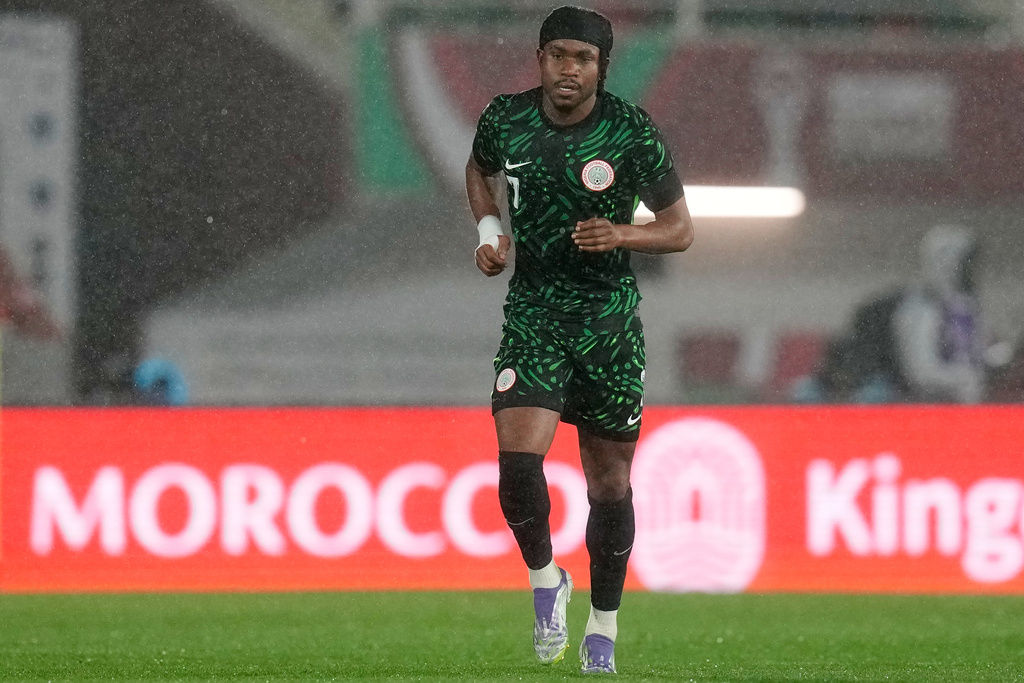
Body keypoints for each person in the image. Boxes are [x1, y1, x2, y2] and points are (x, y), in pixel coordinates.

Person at [464, 6, 694, 674]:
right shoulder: (505, 118)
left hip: (608, 323)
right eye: (558, 55)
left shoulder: (629, 132)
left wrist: (623, 233)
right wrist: (488, 232)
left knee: (610, 483)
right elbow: (478, 172)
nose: (569, 70)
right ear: (540, 58)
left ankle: (603, 628)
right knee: (516, 464)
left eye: (583, 59)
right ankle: (546, 582)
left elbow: (679, 228)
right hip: (534, 311)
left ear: (602, 66)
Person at [893, 224, 986, 403]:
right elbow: (921, 371)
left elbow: (975, 355)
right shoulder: (921, 307)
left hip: (971, 406)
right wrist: (963, 379)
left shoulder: (966, 305)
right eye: (964, 262)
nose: (969, 269)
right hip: (936, 406)